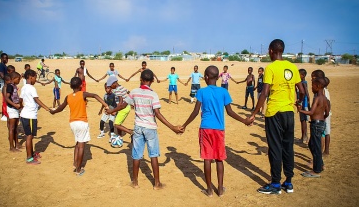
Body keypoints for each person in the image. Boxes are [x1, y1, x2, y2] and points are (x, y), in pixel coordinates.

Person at [182, 65, 250, 197]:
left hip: (205, 128)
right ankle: (220, 189)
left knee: (207, 159)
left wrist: (185, 125)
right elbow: (230, 112)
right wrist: (244, 120)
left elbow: (196, 111)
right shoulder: (223, 92)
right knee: (219, 159)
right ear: (217, 77)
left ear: (206, 77)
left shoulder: (201, 91)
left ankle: (209, 190)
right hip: (219, 130)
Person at [249, 39, 305, 194]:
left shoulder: (271, 68)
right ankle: (288, 182)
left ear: (271, 51)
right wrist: (298, 102)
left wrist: (254, 113)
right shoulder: (292, 67)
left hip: (274, 112)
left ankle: (275, 184)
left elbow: (265, 92)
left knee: (275, 148)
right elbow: (302, 90)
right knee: (288, 147)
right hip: (289, 113)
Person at [119, 69, 182, 189]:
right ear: (152, 80)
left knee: (136, 155)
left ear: (141, 80)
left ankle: (135, 182)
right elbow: (157, 113)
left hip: (138, 126)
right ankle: (157, 183)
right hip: (151, 128)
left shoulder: (134, 92)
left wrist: (112, 111)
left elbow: (123, 105)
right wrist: (172, 127)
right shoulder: (153, 94)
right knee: (153, 155)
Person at [50, 77, 109, 175]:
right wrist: (106, 105)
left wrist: (54, 111)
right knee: (81, 146)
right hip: (82, 122)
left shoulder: (68, 97)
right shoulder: (82, 94)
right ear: (81, 85)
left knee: (77, 144)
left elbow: (61, 107)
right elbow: (94, 95)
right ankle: (78, 169)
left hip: (73, 123)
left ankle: (75, 163)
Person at [298, 77, 330, 178]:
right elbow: (327, 113)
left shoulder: (317, 98)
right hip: (321, 123)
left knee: (315, 147)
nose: (311, 88)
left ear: (318, 86)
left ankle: (316, 170)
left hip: (315, 124)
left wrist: (300, 110)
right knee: (312, 145)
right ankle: (320, 164)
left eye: (313, 86)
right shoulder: (325, 99)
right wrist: (321, 119)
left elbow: (311, 112)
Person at [19, 69, 51, 165]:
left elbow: (20, 100)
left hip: (25, 115)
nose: (35, 80)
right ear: (30, 77)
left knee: (29, 136)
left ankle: (31, 154)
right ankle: (29, 158)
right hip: (30, 116)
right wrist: (47, 108)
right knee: (29, 136)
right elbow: (36, 99)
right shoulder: (31, 88)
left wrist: (22, 108)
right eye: (35, 78)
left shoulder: (24, 87)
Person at [105, 76, 135, 146]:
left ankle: (131, 132)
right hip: (125, 107)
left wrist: (114, 111)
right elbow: (129, 92)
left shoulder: (117, 90)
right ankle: (119, 136)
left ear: (114, 83)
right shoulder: (122, 87)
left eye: (111, 86)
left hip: (123, 108)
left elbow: (121, 101)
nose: (111, 88)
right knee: (118, 123)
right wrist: (132, 101)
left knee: (116, 124)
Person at [5, 72, 22, 152]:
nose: (19, 80)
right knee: (12, 128)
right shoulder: (10, 86)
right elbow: (7, 98)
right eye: (18, 79)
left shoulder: (14, 86)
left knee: (15, 128)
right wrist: (14, 105)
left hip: (15, 108)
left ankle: (17, 144)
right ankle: (11, 147)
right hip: (12, 109)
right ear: (13, 79)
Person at [297, 69, 310, 143]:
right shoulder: (301, 83)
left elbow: (307, 94)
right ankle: (303, 136)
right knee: (302, 120)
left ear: (303, 75)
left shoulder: (303, 83)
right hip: (301, 103)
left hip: (303, 104)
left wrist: (307, 104)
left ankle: (304, 137)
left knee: (303, 120)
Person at [322, 77, 331, 155]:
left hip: (325, 114)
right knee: (326, 132)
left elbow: (327, 102)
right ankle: (326, 150)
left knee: (325, 132)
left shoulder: (324, 91)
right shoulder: (326, 90)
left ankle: (325, 150)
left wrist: (326, 113)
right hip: (326, 113)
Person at [0, 53, 8, 121]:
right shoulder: (1, 66)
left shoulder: (4, 65)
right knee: (5, 99)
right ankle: (4, 115)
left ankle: (5, 114)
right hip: (3, 84)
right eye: (5, 58)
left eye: (7, 58)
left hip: (6, 84)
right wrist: (9, 80)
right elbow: (1, 75)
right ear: (1, 58)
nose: (6, 59)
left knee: (6, 99)